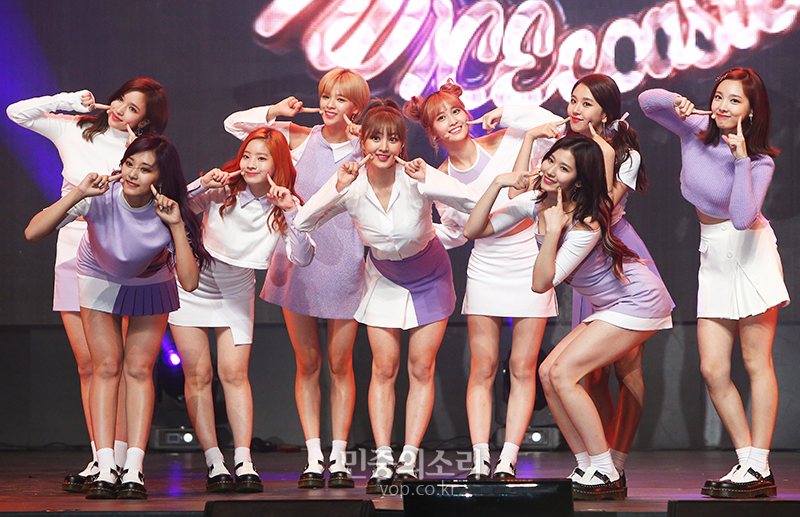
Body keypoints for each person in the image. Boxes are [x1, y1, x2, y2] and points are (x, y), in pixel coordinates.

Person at [464, 136, 673, 501]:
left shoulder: (587, 222)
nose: (550, 171)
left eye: (563, 169)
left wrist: (553, 229)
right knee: (548, 372)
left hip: (638, 301)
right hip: (611, 304)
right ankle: (586, 464)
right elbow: (474, 230)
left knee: (563, 373)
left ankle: (605, 468)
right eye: (550, 160)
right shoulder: (535, 202)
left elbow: (542, 283)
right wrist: (498, 184)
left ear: (578, 180)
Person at [294, 99, 479, 493]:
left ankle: (408, 460)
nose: (383, 147)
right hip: (383, 278)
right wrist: (336, 185)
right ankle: (382, 462)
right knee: (384, 368)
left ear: (401, 144)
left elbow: (471, 203)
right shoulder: (352, 186)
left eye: (392, 139)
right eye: (375, 138)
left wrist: (431, 178)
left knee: (421, 368)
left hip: (430, 275)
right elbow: (304, 219)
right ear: (362, 141)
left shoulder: (416, 178)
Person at [25, 134, 210, 499]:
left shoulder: (168, 209)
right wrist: (77, 194)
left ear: (161, 176)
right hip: (98, 275)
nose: (133, 174)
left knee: (138, 370)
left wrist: (176, 225)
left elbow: (189, 282)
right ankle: (106, 464)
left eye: (145, 169)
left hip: (151, 282)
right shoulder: (100, 195)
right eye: (129, 164)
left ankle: (134, 469)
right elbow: (33, 232)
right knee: (106, 367)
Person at [7, 78, 168, 491]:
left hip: (124, 251)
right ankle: (101, 458)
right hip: (72, 245)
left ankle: (123, 459)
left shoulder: (140, 153)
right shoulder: (74, 128)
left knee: (125, 364)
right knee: (90, 364)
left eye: (132, 109)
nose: (119, 110)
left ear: (144, 120)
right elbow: (15, 112)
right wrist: (68, 101)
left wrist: (136, 149)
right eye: (120, 100)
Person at [515, 74, 673, 486]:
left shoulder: (623, 154)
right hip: (586, 262)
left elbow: (599, 203)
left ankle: (612, 462)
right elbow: (525, 183)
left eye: (586, 103)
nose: (575, 109)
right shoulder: (564, 149)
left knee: (621, 369)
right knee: (566, 372)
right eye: (573, 101)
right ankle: (592, 462)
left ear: (606, 113)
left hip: (613, 254)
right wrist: (522, 132)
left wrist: (600, 148)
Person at [639, 67, 788, 498]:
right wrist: (676, 102)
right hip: (713, 256)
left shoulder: (759, 162)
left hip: (750, 252)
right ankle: (747, 461)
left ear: (751, 111)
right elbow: (647, 103)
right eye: (719, 96)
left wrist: (740, 158)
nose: (722, 105)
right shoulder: (696, 130)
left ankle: (758, 464)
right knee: (713, 368)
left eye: (735, 100)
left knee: (756, 362)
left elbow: (742, 218)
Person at [404, 81, 562, 479]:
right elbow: (458, 233)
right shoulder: (438, 177)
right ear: (433, 132)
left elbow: (553, 125)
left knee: (523, 366)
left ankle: (508, 458)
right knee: (484, 367)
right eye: (442, 118)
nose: (453, 121)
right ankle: (479, 460)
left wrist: (506, 112)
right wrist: (410, 240)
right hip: (486, 265)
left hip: (529, 256)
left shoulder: (505, 140)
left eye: (456, 111)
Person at [223, 68, 368, 488]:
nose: (329, 105)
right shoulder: (299, 137)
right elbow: (235, 125)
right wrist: (274, 111)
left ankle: (339, 457)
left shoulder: (365, 146)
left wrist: (366, 137)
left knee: (340, 364)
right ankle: (314, 456)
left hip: (347, 260)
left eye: (340, 99)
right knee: (308, 363)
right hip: (298, 259)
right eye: (326, 96)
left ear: (356, 107)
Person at [168, 128, 315, 493]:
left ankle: (244, 460)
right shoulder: (222, 189)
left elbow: (303, 257)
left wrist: (291, 211)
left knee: (234, 374)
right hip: (192, 284)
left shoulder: (285, 203)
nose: (251, 164)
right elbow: (173, 208)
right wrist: (202, 183)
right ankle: (214, 461)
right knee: (198, 375)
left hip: (235, 292)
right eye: (247, 155)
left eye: (261, 158)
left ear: (277, 164)